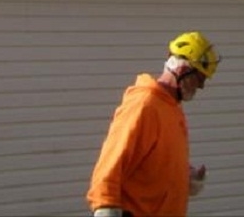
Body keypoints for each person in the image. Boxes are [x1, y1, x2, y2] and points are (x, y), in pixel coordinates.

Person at [87, 30, 220, 217]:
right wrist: (105, 206)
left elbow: (155, 162)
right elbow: (111, 163)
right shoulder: (145, 105)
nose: (201, 86)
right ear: (182, 70)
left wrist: (185, 177)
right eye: (199, 79)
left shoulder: (171, 108)